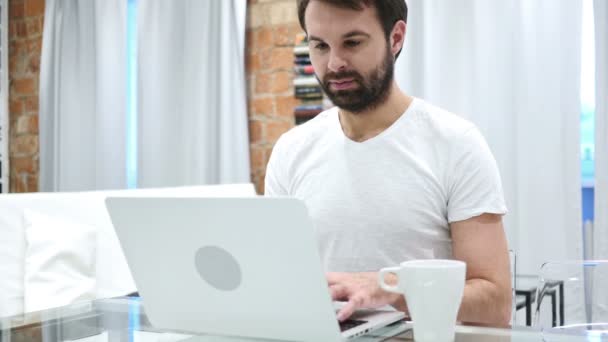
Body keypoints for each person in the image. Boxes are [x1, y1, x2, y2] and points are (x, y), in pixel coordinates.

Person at [264, 0, 512, 326]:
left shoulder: (456, 144)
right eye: (320, 45)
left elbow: (495, 304)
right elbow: (279, 282)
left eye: (352, 42)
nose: (335, 63)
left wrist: (392, 289)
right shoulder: (290, 151)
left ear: (395, 38)